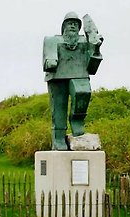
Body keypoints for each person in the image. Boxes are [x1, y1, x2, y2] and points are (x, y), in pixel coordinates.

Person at [43, 12, 103, 150]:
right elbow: (48, 59)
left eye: (75, 24)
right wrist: (50, 61)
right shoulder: (52, 40)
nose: (73, 26)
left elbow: (92, 68)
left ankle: (77, 122)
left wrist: (96, 47)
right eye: (70, 23)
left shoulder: (84, 42)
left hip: (79, 75)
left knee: (83, 92)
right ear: (63, 26)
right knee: (58, 108)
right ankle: (58, 139)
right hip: (57, 78)